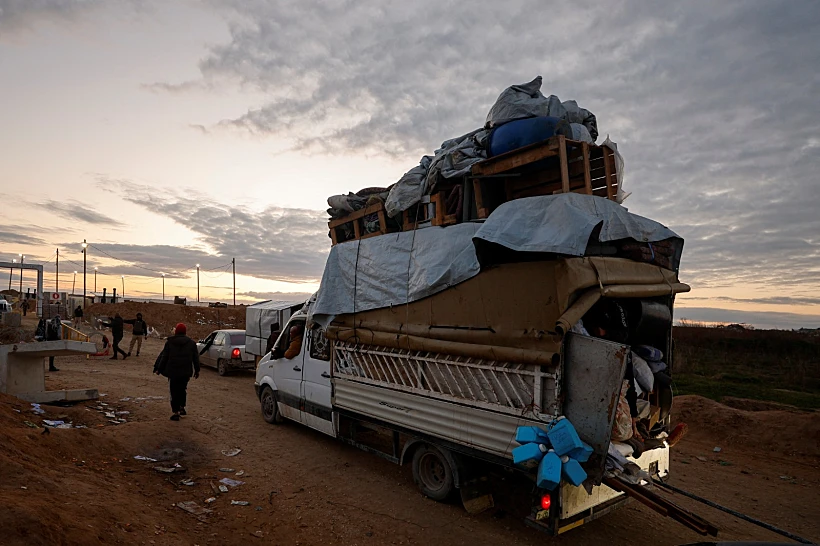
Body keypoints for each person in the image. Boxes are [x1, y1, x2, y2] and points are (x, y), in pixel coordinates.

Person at [154, 323, 200, 421]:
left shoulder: (170, 342)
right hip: (186, 372)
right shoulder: (191, 343)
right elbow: (196, 358)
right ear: (185, 332)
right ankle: (182, 407)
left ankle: (176, 412)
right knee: (182, 389)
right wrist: (197, 370)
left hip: (173, 372)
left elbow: (164, 357)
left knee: (174, 391)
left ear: (176, 331)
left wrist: (159, 369)